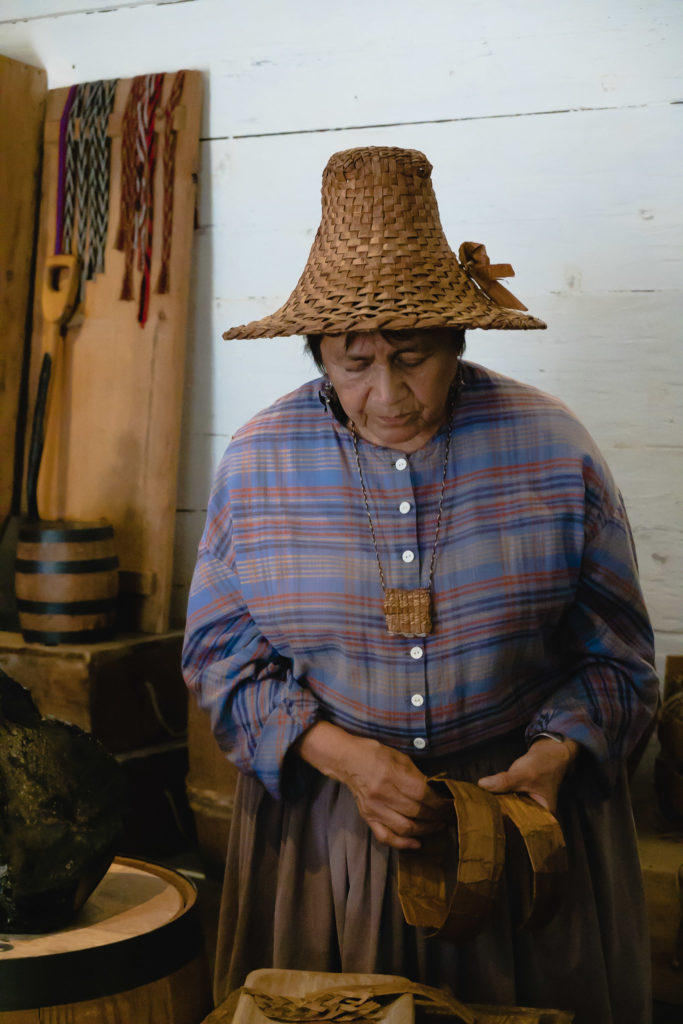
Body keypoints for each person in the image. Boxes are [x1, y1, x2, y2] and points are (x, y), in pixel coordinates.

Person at [182, 146, 659, 1024]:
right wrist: (343, 757)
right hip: (331, 833)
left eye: (413, 356)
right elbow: (219, 659)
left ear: (457, 339)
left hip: (520, 830)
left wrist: (557, 755)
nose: (387, 393)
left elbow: (621, 658)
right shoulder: (257, 464)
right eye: (353, 360)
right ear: (316, 351)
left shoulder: (551, 446)